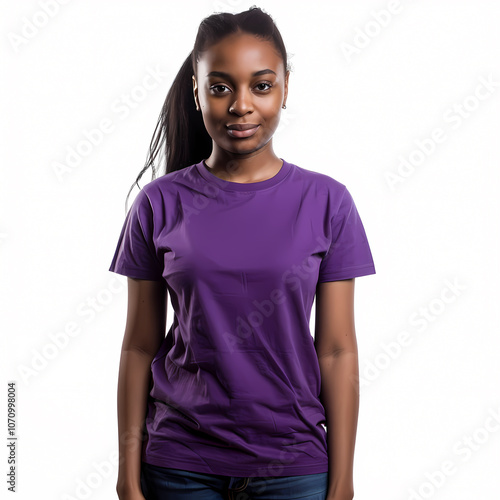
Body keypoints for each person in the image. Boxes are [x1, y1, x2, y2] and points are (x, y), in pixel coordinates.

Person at [109, 6, 376, 500]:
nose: (240, 106)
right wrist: (127, 476)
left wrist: (341, 483)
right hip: (180, 465)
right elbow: (138, 347)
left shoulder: (327, 203)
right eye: (220, 87)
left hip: (293, 466)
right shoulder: (159, 203)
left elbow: (338, 351)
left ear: (286, 88)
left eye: (261, 84)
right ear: (196, 91)